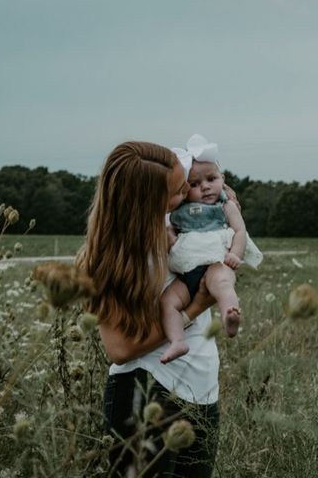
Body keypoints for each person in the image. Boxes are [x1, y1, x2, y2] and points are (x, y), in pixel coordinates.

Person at [77, 141, 221, 477]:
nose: (188, 190)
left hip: (202, 393)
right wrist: (195, 308)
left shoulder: (181, 229)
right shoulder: (107, 260)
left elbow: (220, 196)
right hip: (145, 395)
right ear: (148, 204)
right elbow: (120, 349)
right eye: (177, 189)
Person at [159, 134, 263, 364]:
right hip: (187, 272)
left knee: (223, 284)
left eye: (211, 179)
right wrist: (172, 241)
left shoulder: (226, 206)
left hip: (217, 263)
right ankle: (177, 341)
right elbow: (171, 232)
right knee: (168, 302)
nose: (205, 187)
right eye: (195, 184)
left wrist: (235, 254)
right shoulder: (179, 210)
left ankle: (229, 315)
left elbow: (239, 231)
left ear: (222, 179)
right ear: (184, 189)